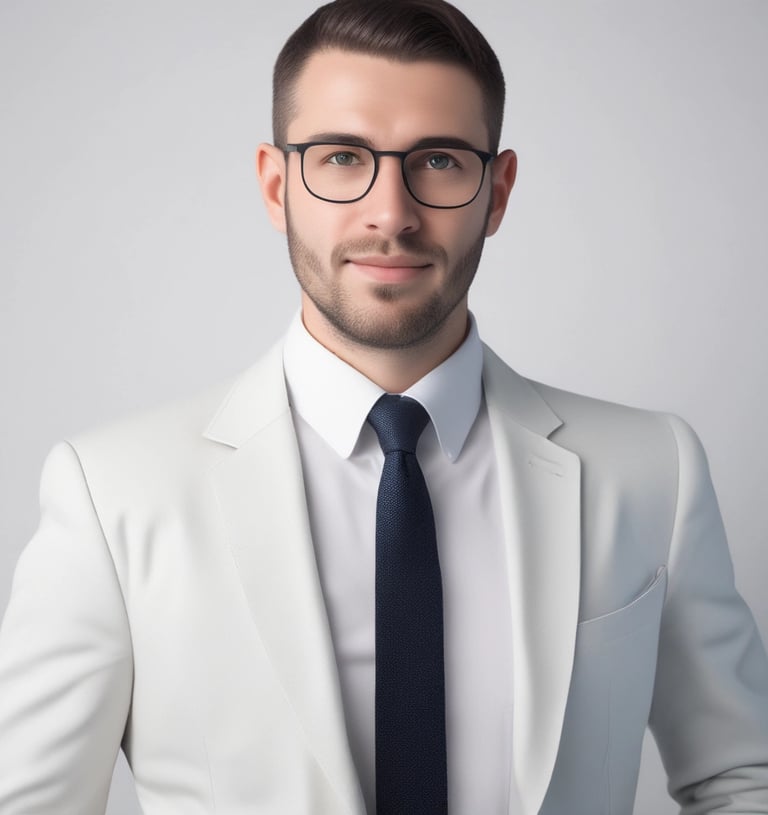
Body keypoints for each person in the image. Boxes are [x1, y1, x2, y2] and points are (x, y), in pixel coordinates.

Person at [1, 0, 767, 813]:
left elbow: (743, 775)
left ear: (497, 192)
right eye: (340, 157)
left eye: (437, 160)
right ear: (275, 184)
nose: (391, 213)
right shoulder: (114, 491)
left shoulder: (651, 471)